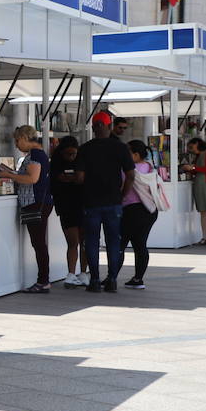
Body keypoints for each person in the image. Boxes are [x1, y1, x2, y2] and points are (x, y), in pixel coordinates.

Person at [76, 111, 134, 293]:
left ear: (93, 128)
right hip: (113, 202)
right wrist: (122, 195)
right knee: (113, 242)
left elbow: (79, 177)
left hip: (91, 201)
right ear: (110, 126)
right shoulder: (121, 148)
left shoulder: (85, 149)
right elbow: (131, 176)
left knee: (92, 241)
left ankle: (94, 280)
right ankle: (113, 280)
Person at [0, 125, 52, 293]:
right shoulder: (38, 154)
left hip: (36, 203)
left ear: (23, 138)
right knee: (39, 243)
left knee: (39, 243)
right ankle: (43, 279)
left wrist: (9, 175)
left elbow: (32, 178)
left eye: (17, 140)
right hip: (37, 202)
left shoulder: (35, 154)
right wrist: (10, 171)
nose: (16, 144)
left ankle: (43, 280)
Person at [120, 140, 161, 289]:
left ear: (136, 154)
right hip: (149, 210)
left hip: (132, 210)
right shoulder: (150, 167)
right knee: (140, 245)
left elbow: (121, 186)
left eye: (128, 153)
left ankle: (111, 277)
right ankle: (138, 279)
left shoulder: (129, 170)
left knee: (120, 244)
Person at [50, 137, 86, 287]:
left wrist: (68, 178)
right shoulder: (56, 163)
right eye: (68, 154)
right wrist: (73, 178)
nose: (71, 157)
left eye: (73, 154)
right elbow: (62, 178)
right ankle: (71, 273)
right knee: (73, 242)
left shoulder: (81, 160)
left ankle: (83, 273)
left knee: (84, 242)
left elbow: (80, 179)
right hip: (66, 206)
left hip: (82, 204)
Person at [181, 137, 206, 245]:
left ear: (197, 144)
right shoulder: (200, 155)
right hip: (201, 183)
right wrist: (192, 169)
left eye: (191, 147)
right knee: (203, 211)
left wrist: (193, 168)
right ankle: (205, 237)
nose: (191, 149)